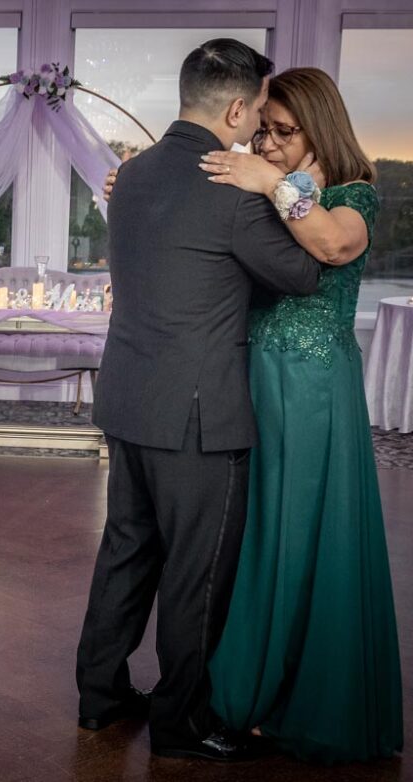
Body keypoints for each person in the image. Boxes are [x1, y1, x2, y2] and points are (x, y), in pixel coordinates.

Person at [75, 39, 322, 762]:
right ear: (240, 107)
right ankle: (181, 726)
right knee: (196, 573)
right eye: (256, 118)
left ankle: (99, 698)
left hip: (128, 399)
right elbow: (305, 275)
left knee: (126, 552)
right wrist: (286, 186)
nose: (257, 134)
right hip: (198, 418)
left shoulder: (133, 174)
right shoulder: (232, 188)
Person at [196, 67, 403, 764]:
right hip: (254, 374)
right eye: (267, 130)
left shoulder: (354, 193)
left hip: (316, 387)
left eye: (287, 131)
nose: (273, 143)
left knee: (304, 531)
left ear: (320, 126)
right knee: (258, 533)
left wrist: (270, 182)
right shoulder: (264, 188)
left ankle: (293, 697)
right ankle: (254, 686)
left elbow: (333, 246)